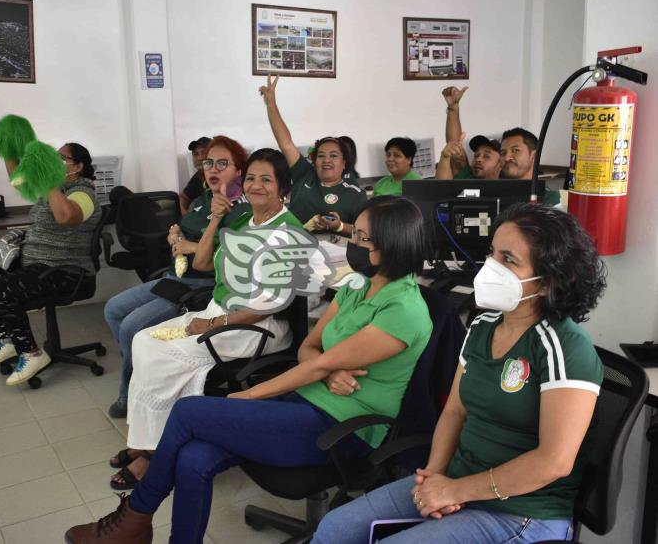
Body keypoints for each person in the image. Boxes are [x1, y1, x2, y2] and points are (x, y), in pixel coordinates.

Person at [65, 195, 434, 544]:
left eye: (361, 237)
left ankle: (134, 516)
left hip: (340, 429)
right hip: (302, 403)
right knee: (194, 457)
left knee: (189, 410)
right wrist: (327, 370)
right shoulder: (356, 285)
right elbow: (309, 349)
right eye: (354, 233)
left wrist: (245, 397)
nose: (351, 241)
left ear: (394, 243)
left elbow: (318, 361)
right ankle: (157, 532)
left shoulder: (403, 310)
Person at [311, 202, 607, 544]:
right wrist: (434, 476)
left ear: (548, 282)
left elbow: (553, 462)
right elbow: (454, 410)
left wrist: (455, 491)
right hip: (456, 480)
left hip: (521, 511)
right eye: (493, 253)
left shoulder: (564, 347)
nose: (491, 267)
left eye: (508, 260)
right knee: (334, 528)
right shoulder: (483, 326)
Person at [107, 148, 303, 490]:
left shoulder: (286, 232)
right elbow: (201, 266)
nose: (256, 185)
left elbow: (267, 306)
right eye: (251, 178)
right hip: (220, 312)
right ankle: (148, 439)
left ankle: (154, 455)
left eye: (266, 179)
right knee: (142, 340)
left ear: (283, 188)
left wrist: (210, 325)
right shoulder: (244, 221)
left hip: (253, 327)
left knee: (162, 356)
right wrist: (213, 220)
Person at [103, 135, 250, 419]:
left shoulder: (241, 208)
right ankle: (140, 371)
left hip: (202, 284)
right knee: (113, 310)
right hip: (177, 275)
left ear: (238, 170)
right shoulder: (203, 198)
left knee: (131, 327)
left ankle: (128, 391)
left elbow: (230, 257)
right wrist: (175, 234)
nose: (213, 168)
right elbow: (186, 228)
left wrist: (190, 247)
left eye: (223, 163)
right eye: (209, 162)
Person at [0, 142, 102, 385]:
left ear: (78, 166)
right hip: (35, 263)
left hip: (66, 270)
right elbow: (17, 176)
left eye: (61, 158)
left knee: (2, 290)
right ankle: (9, 339)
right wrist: (9, 146)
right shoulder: (52, 188)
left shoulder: (84, 192)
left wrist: (50, 181)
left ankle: (32, 353)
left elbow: (66, 216)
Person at [260, 74, 367, 236]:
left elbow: (365, 234)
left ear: (344, 163)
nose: (326, 160)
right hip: (293, 245)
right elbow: (286, 143)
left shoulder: (355, 193)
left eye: (333, 156)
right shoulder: (304, 174)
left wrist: (339, 226)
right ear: (314, 160)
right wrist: (271, 104)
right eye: (321, 156)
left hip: (336, 254)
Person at [434, 86, 502, 180]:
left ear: (501, 164)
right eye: (476, 155)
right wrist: (453, 107)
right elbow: (453, 144)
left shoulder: (509, 188)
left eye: (487, 156)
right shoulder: (467, 176)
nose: (478, 159)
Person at [500, 127, 561, 205]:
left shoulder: (552, 200)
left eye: (516, 150)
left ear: (534, 156)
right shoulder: (495, 196)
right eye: (503, 153)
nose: (507, 158)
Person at [179, 136, 212, 215]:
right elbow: (183, 198)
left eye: (204, 153)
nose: (199, 158)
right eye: (195, 154)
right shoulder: (198, 176)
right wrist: (186, 219)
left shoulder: (223, 175)